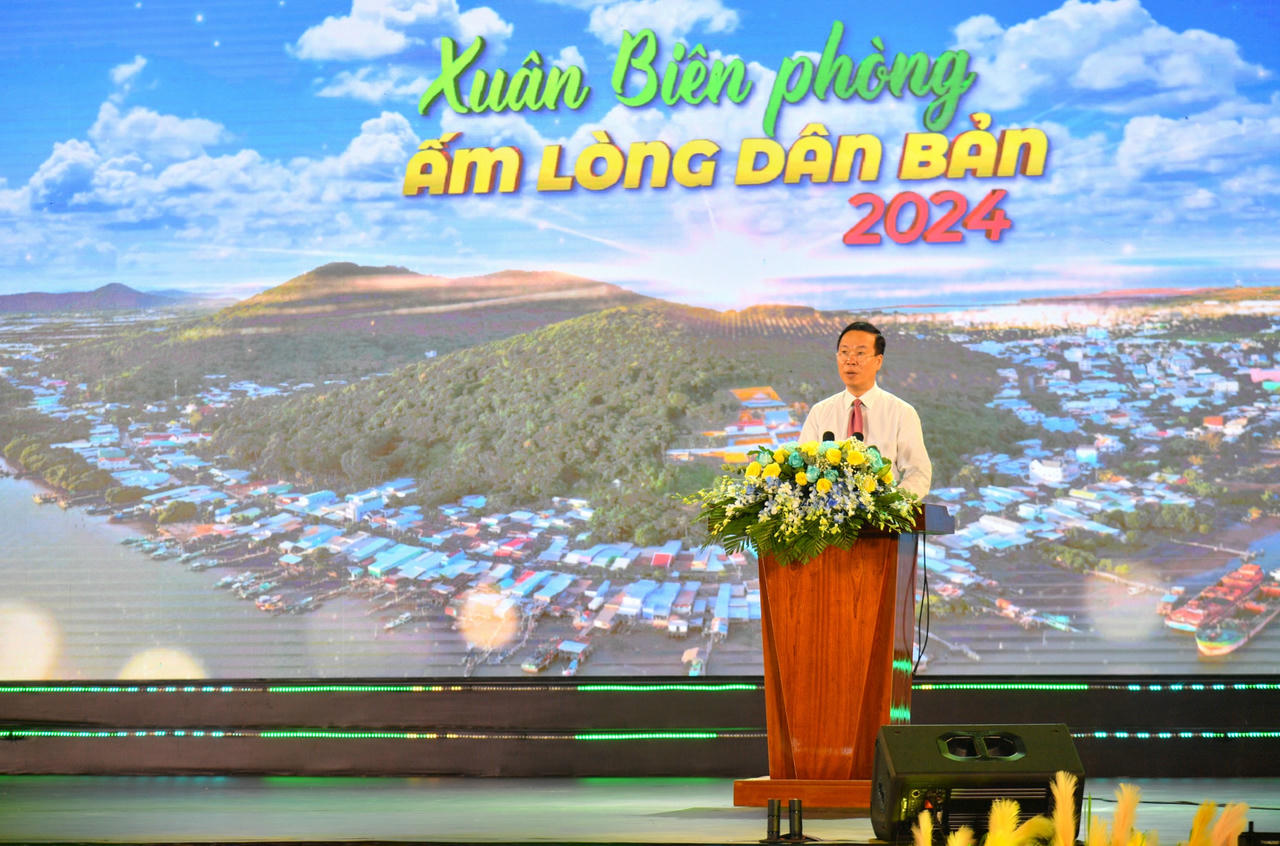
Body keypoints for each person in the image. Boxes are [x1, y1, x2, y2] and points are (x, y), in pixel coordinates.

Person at [798, 320, 932, 498]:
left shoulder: (901, 413)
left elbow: (918, 474)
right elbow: (800, 470)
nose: (850, 361)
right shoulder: (820, 412)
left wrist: (890, 504)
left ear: (878, 361)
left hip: (883, 513)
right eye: (844, 352)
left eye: (860, 353)